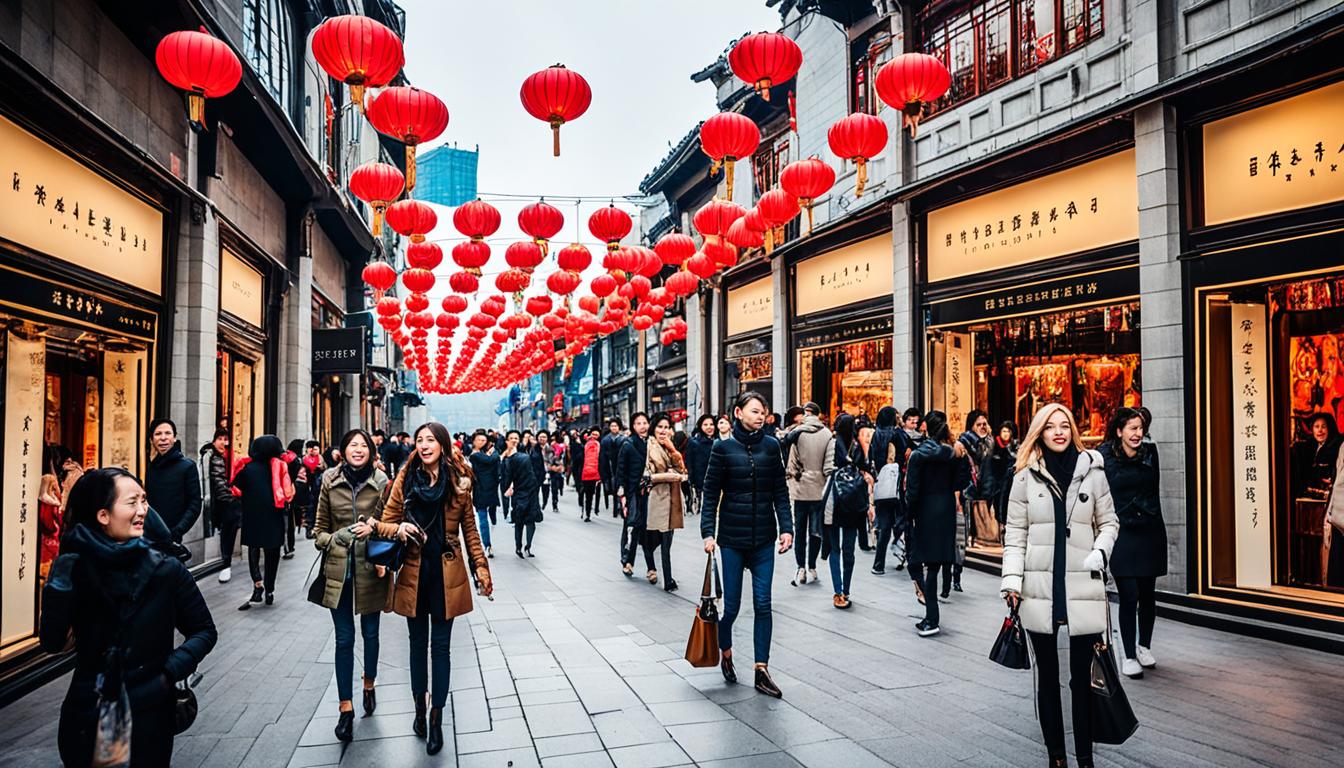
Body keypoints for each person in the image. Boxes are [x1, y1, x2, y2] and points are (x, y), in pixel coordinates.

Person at [40, 468, 217, 767]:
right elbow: (53, 642)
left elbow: (204, 631)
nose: (143, 510)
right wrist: (58, 588)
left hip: (149, 715)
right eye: (132, 502)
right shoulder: (73, 568)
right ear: (103, 515)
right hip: (86, 712)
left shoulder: (166, 569)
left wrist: (167, 672)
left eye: (144, 500)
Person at [1001, 403, 1119, 768]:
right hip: (1039, 588)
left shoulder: (1093, 472)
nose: (1058, 432)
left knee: (1082, 680)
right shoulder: (1024, 476)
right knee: (1047, 679)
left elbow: (1110, 522)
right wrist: (1011, 579)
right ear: (1039, 431)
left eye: (1064, 425)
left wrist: (1101, 549)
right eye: (1050, 426)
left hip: (1082, 586)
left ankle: (1085, 757)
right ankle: (1056, 757)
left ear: (1073, 429)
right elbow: (1015, 535)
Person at [371, 422, 492, 756]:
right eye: (419, 440)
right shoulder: (405, 480)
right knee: (416, 646)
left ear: (442, 445)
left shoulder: (459, 482)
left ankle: (437, 716)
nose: (424, 445)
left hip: (445, 574)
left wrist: (481, 566)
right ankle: (419, 709)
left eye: (430, 440)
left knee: (440, 648)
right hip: (413, 573)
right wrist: (399, 529)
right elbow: (384, 522)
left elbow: (470, 529)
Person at [700, 391, 793, 698]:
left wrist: (787, 529)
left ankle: (761, 670)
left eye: (762, 411)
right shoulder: (722, 449)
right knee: (733, 608)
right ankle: (726, 654)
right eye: (754, 410)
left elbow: (780, 490)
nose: (760, 415)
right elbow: (710, 493)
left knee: (763, 604)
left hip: (764, 537)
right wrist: (708, 533)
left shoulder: (771, 445)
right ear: (738, 413)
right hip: (732, 540)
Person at [313, 429, 391, 741]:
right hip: (338, 572)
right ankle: (345, 707)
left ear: (371, 451)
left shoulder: (382, 482)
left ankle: (369, 684)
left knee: (370, 634)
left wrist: (373, 531)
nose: (357, 450)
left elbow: (389, 525)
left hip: (372, 569)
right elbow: (317, 530)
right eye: (352, 445)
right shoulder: (329, 481)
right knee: (344, 639)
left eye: (363, 446)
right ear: (343, 451)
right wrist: (336, 538)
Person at [1099, 407, 1167, 679]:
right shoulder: (1104, 456)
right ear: (1119, 431)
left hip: (1149, 528)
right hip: (1121, 531)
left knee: (1148, 594)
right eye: (1132, 428)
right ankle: (1128, 655)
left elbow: (1155, 489)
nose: (1138, 434)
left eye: (1140, 428)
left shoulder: (1150, 453)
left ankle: (1144, 646)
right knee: (1129, 595)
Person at [906, 411, 970, 636]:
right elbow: (961, 482)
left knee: (928, 564)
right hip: (945, 509)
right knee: (935, 564)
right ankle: (931, 615)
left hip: (925, 510)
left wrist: (909, 515)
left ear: (926, 428)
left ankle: (932, 619)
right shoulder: (953, 453)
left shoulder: (917, 455)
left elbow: (912, 491)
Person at [232, 435, 295, 609]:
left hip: (252, 515)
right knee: (272, 553)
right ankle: (270, 589)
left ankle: (257, 584)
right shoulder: (280, 467)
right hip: (274, 516)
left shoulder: (248, 468)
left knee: (254, 549)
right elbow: (289, 492)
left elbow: (236, 489)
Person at [825, 413, 873, 609]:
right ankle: (846, 589)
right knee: (848, 549)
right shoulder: (856, 445)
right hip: (853, 503)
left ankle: (838, 591)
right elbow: (866, 467)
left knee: (835, 548)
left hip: (835, 501)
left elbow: (825, 469)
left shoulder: (832, 444)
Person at [785, 402, 831, 586]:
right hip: (820, 488)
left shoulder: (798, 433)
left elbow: (792, 463)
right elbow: (829, 463)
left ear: (807, 413)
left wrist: (795, 479)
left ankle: (800, 568)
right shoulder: (827, 434)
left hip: (802, 487)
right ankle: (812, 567)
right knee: (815, 530)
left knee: (800, 529)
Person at [645, 413, 688, 592]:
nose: (663, 431)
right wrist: (670, 476)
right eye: (660, 427)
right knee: (655, 540)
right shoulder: (649, 446)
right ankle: (657, 572)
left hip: (672, 497)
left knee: (667, 541)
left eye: (666, 427)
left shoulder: (668, 446)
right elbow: (647, 475)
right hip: (657, 497)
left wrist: (672, 450)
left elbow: (682, 469)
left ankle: (667, 577)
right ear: (653, 428)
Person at [145, 418, 202, 544]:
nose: (163, 438)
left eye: (168, 433)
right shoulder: (151, 467)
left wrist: (177, 532)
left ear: (175, 438)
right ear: (152, 440)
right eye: (158, 434)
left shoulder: (187, 466)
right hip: (149, 536)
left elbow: (195, 504)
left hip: (172, 538)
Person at [617, 413, 654, 579]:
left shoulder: (653, 444)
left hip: (650, 493)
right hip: (633, 493)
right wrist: (621, 490)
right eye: (638, 423)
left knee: (647, 529)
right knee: (632, 527)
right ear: (633, 426)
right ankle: (627, 562)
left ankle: (651, 567)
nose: (642, 426)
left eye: (645, 422)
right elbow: (620, 470)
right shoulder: (628, 444)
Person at [205, 429, 240, 583]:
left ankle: (226, 564)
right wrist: (231, 498)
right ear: (214, 440)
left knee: (228, 532)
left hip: (223, 502)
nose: (223, 442)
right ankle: (225, 564)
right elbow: (219, 482)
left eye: (225, 439)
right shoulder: (215, 457)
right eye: (220, 438)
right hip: (223, 503)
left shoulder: (222, 457)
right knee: (228, 533)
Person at [869, 406, 901, 575]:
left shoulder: (876, 435)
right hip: (897, 485)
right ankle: (904, 552)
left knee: (884, 525)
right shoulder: (896, 434)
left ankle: (878, 564)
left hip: (882, 485)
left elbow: (870, 459)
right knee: (904, 520)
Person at [500, 430, 541, 557]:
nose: (514, 440)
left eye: (516, 438)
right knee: (520, 521)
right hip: (519, 492)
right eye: (511, 438)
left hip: (531, 491)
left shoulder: (530, 452)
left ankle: (528, 546)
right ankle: (518, 547)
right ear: (506, 441)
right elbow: (505, 476)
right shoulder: (506, 458)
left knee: (530, 520)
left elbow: (538, 469)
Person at [467, 432, 500, 558]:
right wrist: (495, 452)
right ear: (474, 441)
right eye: (479, 440)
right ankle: (487, 545)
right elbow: (492, 460)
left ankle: (487, 543)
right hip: (481, 490)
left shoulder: (481, 454)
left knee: (486, 516)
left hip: (489, 489)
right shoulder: (475, 455)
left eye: (484, 440)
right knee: (482, 518)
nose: (482, 442)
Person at [982, 421, 1019, 527]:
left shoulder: (1015, 445)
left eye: (1008, 431)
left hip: (1010, 482)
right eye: (1004, 431)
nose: (1006, 434)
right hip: (996, 483)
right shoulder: (994, 445)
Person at [283, 439, 310, 560]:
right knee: (290, 522)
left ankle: (287, 546)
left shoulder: (285, 456)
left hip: (284, 492)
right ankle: (289, 547)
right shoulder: (294, 460)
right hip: (290, 492)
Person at [685, 415, 716, 514]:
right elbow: (689, 462)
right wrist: (691, 480)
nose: (709, 427)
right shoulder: (694, 442)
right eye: (705, 424)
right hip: (700, 481)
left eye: (711, 424)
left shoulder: (718, 442)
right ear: (700, 426)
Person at [599, 418, 624, 516]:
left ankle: (620, 506)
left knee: (620, 487)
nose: (614, 428)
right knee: (613, 488)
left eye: (616, 426)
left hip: (621, 467)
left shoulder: (624, 439)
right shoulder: (605, 440)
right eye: (612, 426)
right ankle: (616, 507)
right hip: (610, 468)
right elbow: (602, 457)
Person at [579, 428, 602, 521]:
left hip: (588, 473)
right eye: (593, 434)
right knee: (593, 493)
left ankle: (588, 512)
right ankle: (591, 511)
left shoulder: (585, 444)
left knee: (588, 494)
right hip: (593, 473)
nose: (594, 436)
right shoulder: (599, 445)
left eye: (596, 435)